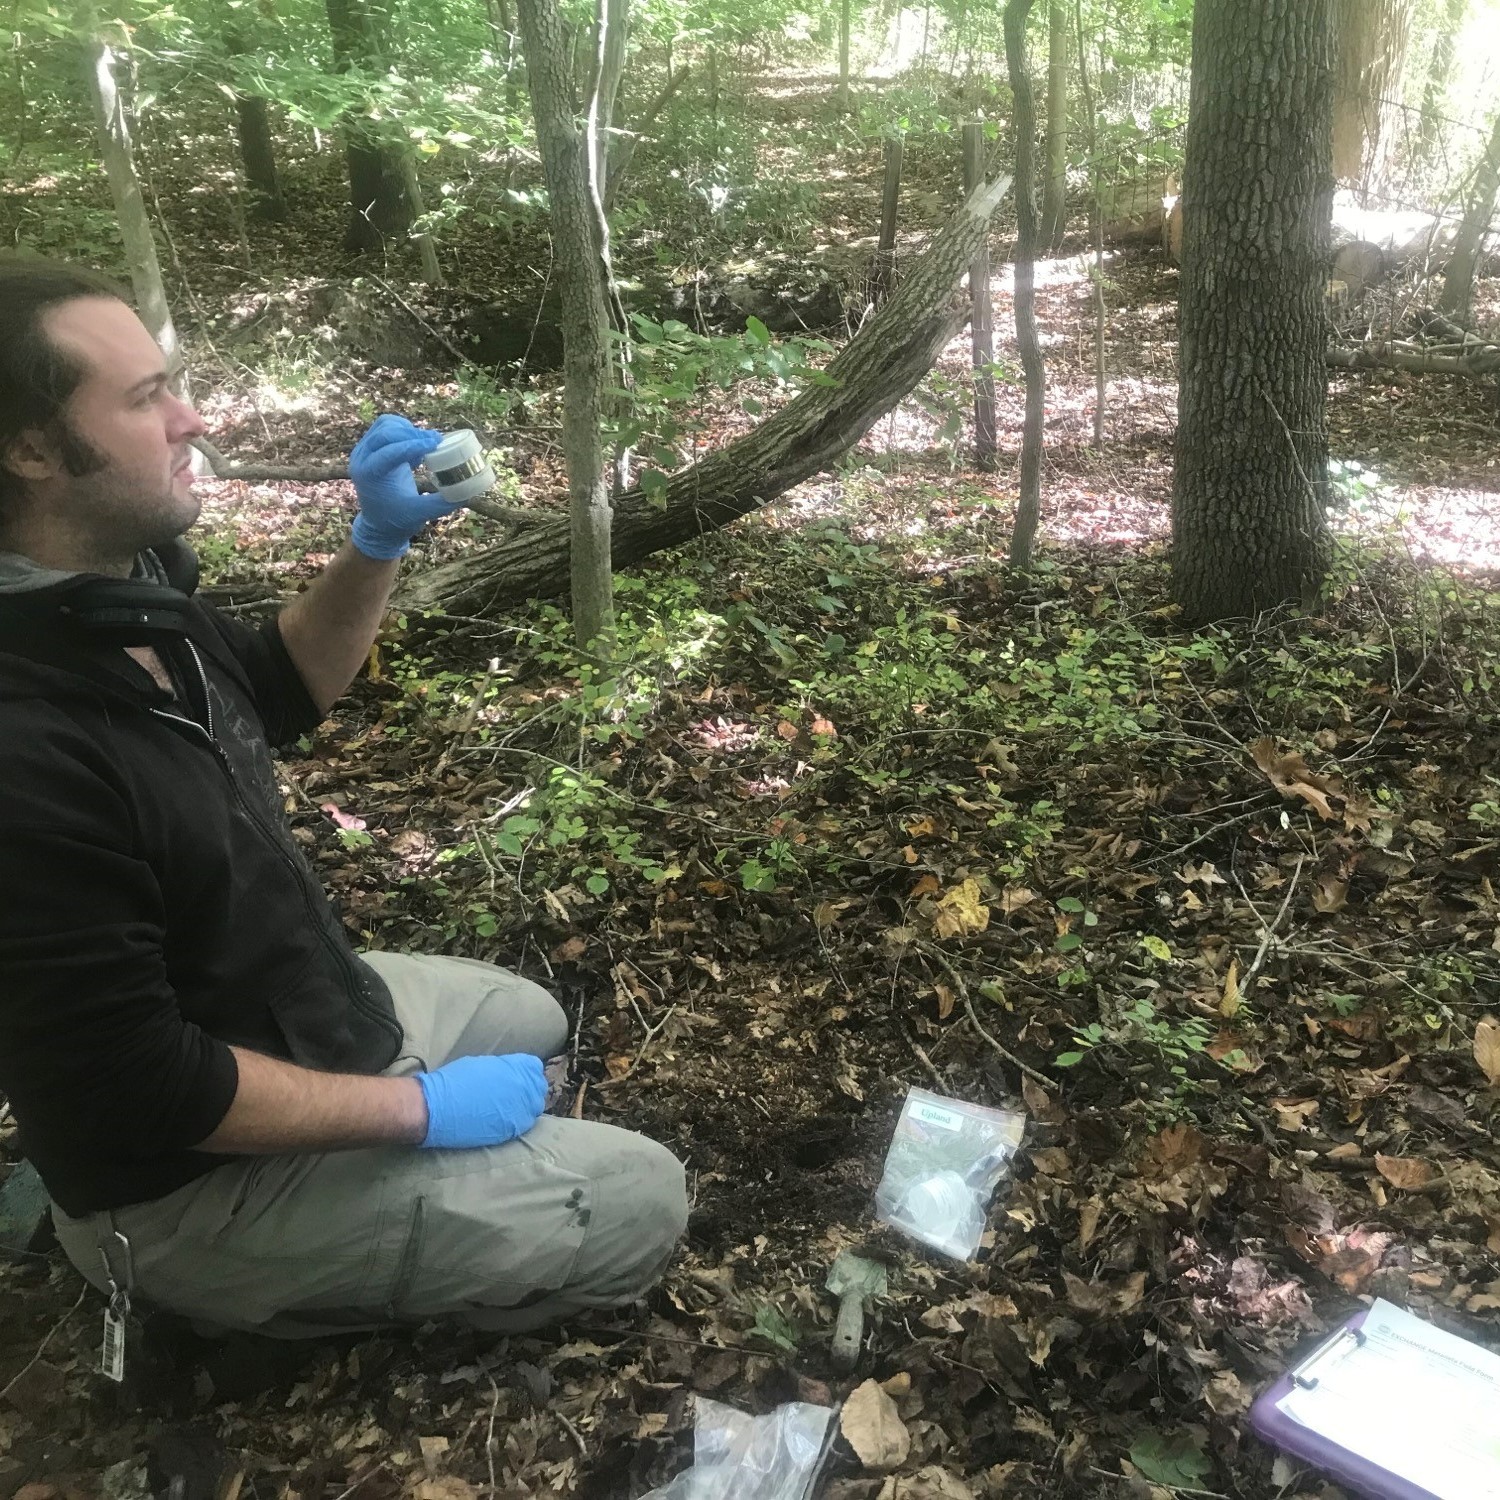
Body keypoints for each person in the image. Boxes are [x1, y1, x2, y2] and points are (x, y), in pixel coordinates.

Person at [0, 259, 688, 1344]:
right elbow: (143, 1087)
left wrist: (377, 542)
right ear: (31, 450)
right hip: (181, 1181)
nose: (191, 419)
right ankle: (238, 1299)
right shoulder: (24, 752)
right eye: (144, 398)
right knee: (645, 1201)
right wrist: (418, 1111)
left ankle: (382, 1169)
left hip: (290, 1006)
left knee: (531, 1017)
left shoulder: (120, 588)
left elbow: (274, 690)